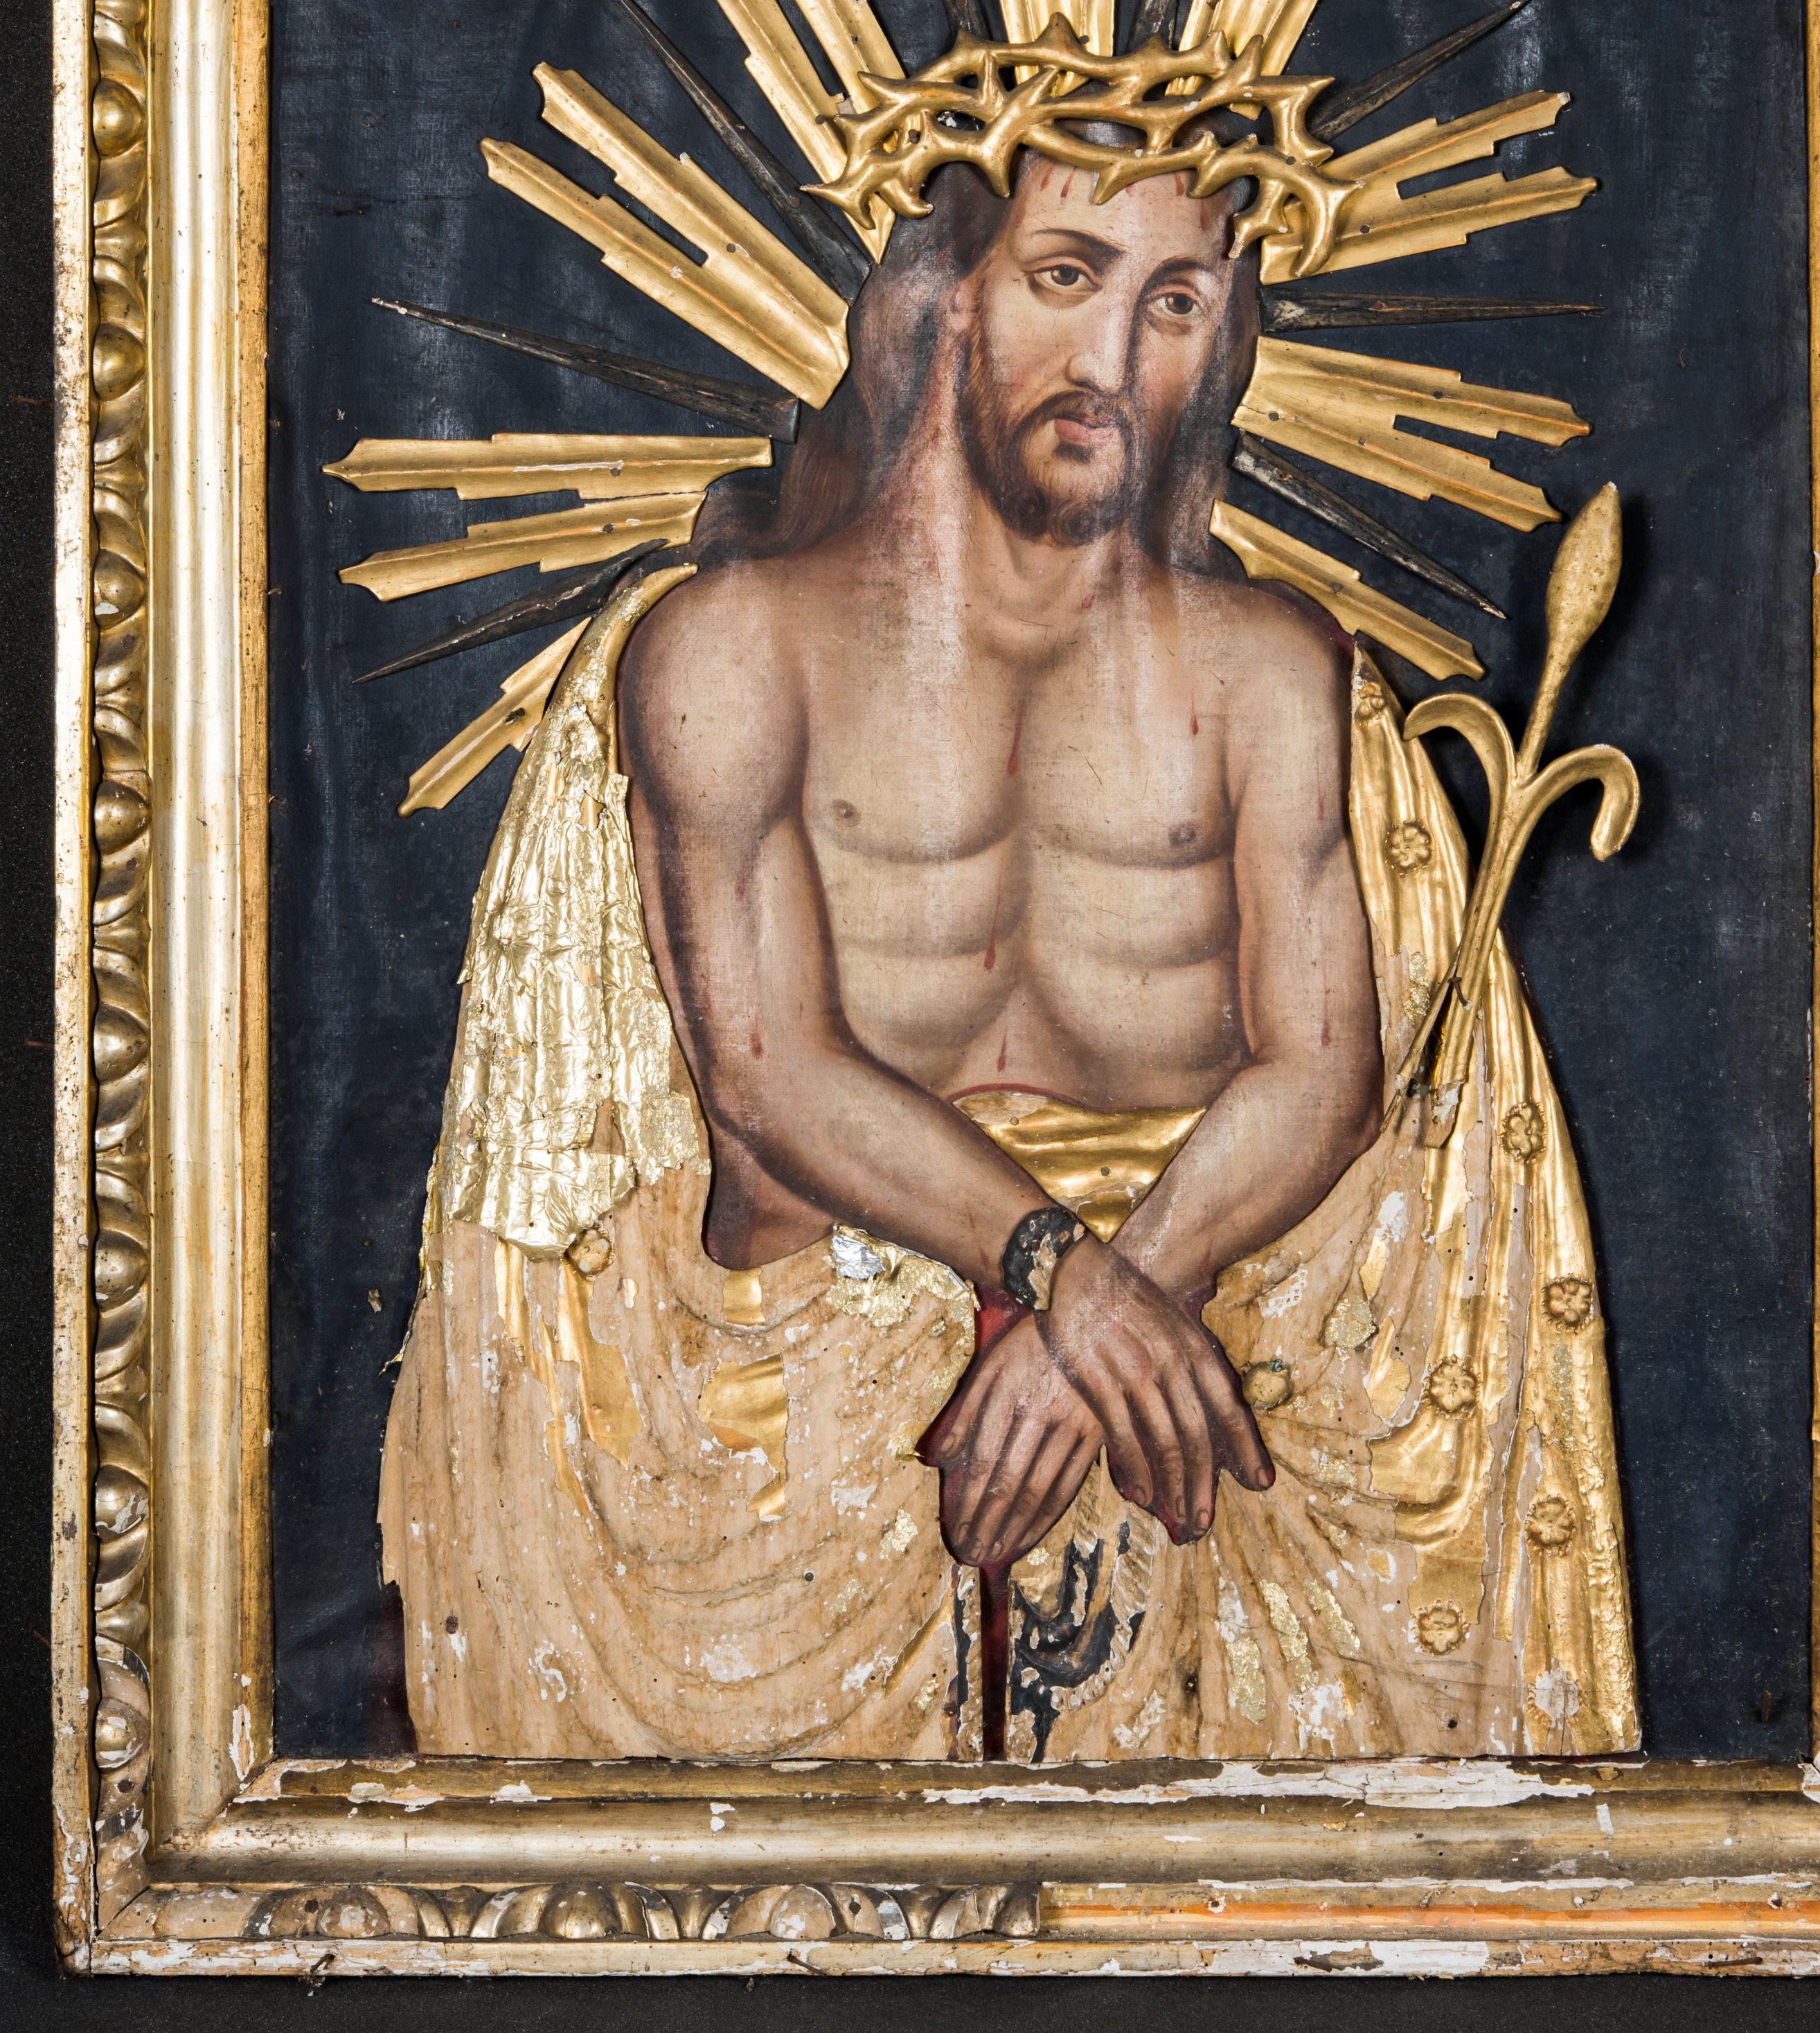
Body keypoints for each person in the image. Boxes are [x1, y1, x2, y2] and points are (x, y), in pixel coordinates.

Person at [379, 141, 1636, 1766]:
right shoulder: (734, 648)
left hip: (1200, 1442)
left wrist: (1107, 1313)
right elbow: (763, 1069)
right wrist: (1064, 1274)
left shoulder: (1273, 675)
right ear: (948, 303)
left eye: (1175, 301)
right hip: (799, 1439)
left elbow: (1326, 1068)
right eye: (1066, 277)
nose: (1112, 357)